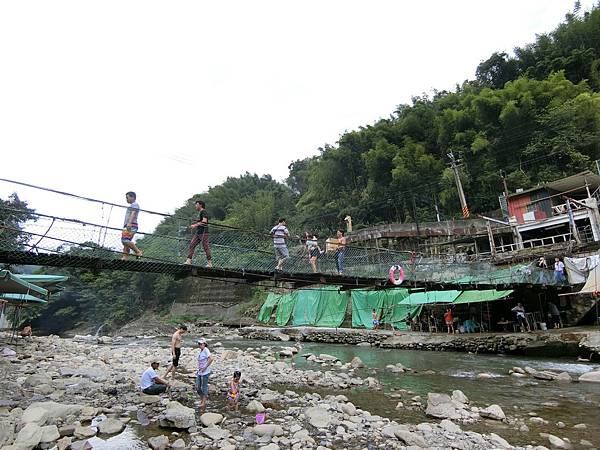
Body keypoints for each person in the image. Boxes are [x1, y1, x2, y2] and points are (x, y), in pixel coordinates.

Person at [185, 201, 212, 267]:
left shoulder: (203, 211)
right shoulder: (200, 213)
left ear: (201, 205)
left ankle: (209, 263)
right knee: (192, 244)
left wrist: (195, 225)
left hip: (204, 232)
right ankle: (188, 260)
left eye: (196, 205)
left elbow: (204, 221)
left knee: (205, 246)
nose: (195, 206)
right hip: (198, 232)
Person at [121, 191, 143, 260]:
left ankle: (138, 251)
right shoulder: (132, 205)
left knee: (125, 240)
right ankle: (125, 257)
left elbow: (133, 213)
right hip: (129, 225)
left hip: (131, 225)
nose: (126, 199)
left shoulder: (135, 204)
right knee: (126, 242)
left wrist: (129, 223)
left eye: (127, 197)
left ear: (132, 197)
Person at [196, 338, 213, 412]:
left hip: (205, 372)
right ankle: (202, 399)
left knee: (204, 386)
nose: (199, 345)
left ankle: (203, 402)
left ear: (204, 344)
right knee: (197, 386)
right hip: (200, 372)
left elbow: (211, 359)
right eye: (198, 344)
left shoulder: (206, 350)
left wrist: (205, 367)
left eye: (201, 344)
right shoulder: (202, 350)